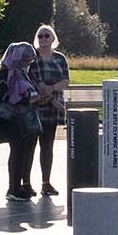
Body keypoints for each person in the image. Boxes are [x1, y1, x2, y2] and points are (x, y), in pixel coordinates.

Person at [0, 43, 41, 202]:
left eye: (30, 60)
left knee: (20, 149)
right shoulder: (5, 72)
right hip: (8, 118)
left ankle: (16, 186)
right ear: (16, 58)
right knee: (18, 148)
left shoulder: (23, 73)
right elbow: (3, 95)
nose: (28, 63)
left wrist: (33, 98)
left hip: (21, 118)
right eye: (25, 60)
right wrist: (25, 99)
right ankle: (14, 189)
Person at [28, 25, 69, 197]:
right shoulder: (32, 57)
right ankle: (26, 183)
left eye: (47, 36)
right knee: (29, 146)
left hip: (52, 111)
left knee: (47, 146)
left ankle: (46, 182)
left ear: (53, 38)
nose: (43, 39)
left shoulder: (60, 58)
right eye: (40, 36)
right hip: (35, 108)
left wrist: (52, 89)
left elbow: (65, 81)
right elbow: (37, 83)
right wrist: (51, 96)